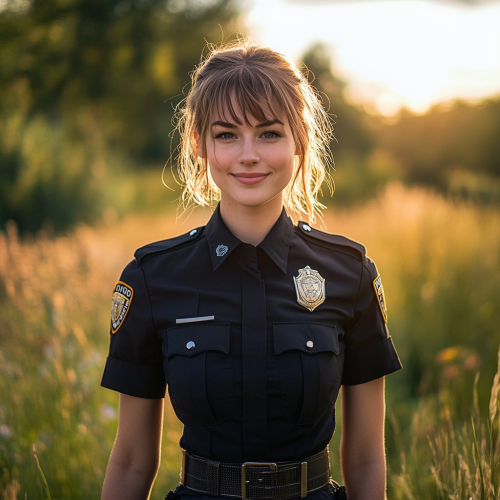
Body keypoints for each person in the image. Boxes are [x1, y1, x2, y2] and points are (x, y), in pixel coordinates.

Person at [100, 41, 402, 500]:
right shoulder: (151, 279)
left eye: (268, 133)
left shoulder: (349, 273)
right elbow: (130, 461)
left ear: (299, 139)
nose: (248, 155)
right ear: (198, 143)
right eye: (226, 135)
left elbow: (364, 458)